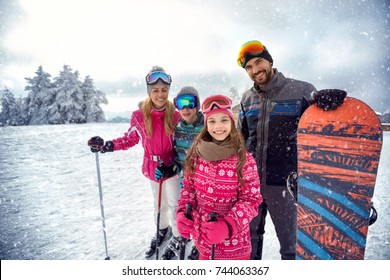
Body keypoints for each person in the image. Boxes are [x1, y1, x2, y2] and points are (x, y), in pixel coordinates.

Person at [236, 40, 347, 260]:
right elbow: (241, 140)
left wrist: (330, 108)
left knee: (291, 247)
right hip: (252, 186)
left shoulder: (302, 91)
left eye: (259, 62)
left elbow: (320, 131)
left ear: (270, 61)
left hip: (286, 186)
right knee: (249, 243)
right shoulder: (247, 99)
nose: (255, 70)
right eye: (248, 67)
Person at [87, 66, 182, 259]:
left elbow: (182, 143)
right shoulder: (139, 116)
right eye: (155, 90)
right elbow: (130, 138)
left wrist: (172, 164)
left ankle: (178, 236)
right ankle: (163, 230)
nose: (160, 94)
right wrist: (107, 145)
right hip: (152, 168)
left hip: (170, 168)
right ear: (149, 91)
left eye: (164, 90)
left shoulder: (176, 115)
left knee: (174, 204)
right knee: (159, 204)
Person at [175, 94, 263, 260]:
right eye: (212, 121)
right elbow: (189, 189)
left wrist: (228, 226)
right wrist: (183, 213)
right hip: (204, 246)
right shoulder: (196, 155)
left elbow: (251, 200)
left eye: (224, 120)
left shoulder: (244, 159)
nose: (218, 126)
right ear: (206, 124)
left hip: (236, 249)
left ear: (232, 123)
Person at [154, 86, 204, 260]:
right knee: (183, 212)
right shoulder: (178, 129)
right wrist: (170, 168)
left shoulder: (207, 126)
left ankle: (200, 244)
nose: (185, 108)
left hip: (206, 182)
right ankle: (180, 238)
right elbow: (178, 158)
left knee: (202, 213)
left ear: (197, 104)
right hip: (186, 181)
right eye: (180, 104)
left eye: (190, 103)